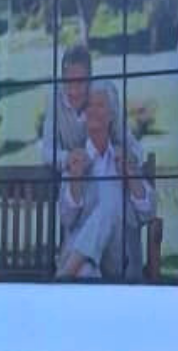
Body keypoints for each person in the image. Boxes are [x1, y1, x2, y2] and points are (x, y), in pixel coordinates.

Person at [55, 81, 157, 281]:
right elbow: (67, 219)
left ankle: (64, 275)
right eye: (89, 105)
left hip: (121, 260)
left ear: (111, 115)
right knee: (85, 270)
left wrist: (131, 175)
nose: (92, 110)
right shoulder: (77, 159)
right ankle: (75, 267)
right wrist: (75, 178)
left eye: (100, 105)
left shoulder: (125, 158)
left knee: (108, 208)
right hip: (85, 266)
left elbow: (148, 212)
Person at [40, 44, 93, 169]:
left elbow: (128, 144)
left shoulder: (104, 95)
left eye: (80, 82)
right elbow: (47, 150)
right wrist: (69, 158)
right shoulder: (55, 97)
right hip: (70, 175)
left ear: (90, 79)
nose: (73, 91)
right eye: (68, 82)